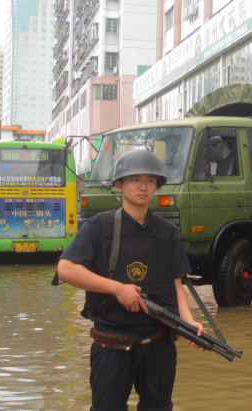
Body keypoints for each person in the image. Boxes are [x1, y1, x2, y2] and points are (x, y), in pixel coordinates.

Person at [56, 150, 205, 411]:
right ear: (119, 185)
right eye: (135, 179)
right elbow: (66, 269)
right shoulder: (97, 227)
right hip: (112, 344)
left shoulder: (167, 232)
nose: (143, 186)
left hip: (159, 345)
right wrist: (116, 289)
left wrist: (188, 322)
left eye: (149, 180)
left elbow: (177, 286)